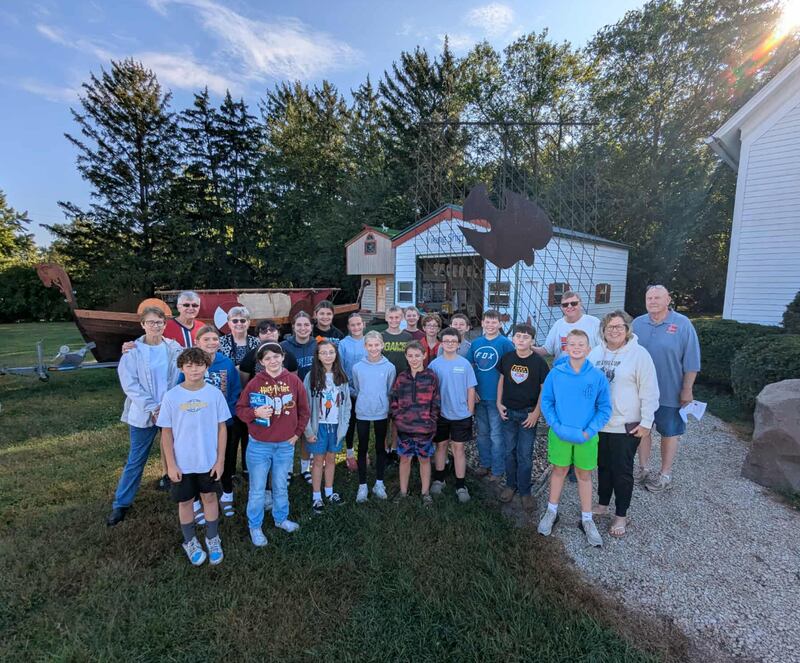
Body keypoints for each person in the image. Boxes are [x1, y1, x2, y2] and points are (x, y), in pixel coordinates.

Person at [106, 307, 182, 526]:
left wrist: (165, 408)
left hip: (169, 412)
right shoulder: (132, 351)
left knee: (178, 453)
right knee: (136, 458)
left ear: (165, 325)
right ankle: (121, 503)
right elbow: (130, 385)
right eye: (151, 322)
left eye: (159, 322)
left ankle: (183, 492)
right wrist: (153, 407)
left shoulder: (174, 348)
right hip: (143, 412)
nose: (155, 326)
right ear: (142, 325)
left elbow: (190, 363)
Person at [537, 330, 612, 547]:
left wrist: (590, 431)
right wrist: (555, 425)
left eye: (581, 344)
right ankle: (552, 511)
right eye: (572, 344)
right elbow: (547, 402)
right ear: (565, 348)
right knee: (559, 470)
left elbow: (605, 408)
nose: (577, 348)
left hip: (586, 436)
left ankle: (587, 519)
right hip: (560, 434)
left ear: (588, 349)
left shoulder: (597, 376)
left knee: (584, 475)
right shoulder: (556, 373)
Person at [588, 311, 659, 536]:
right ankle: (602, 503)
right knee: (604, 467)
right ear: (603, 330)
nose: (614, 331)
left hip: (626, 424)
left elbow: (649, 390)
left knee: (622, 471)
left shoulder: (639, 355)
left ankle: (621, 516)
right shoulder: (595, 353)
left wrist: (647, 422)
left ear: (627, 329)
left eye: (619, 327)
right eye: (610, 327)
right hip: (600, 423)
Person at [158, 348, 230, 566]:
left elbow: (222, 429)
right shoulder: (172, 396)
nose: (194, 369)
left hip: (208, 461)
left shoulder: (214, 394)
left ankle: (212, 537)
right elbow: (166, 434)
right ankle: (189, 541)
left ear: (206, 367)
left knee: (209, 498)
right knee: (186, 502)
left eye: (199, 364)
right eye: (189, 365)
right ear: (181, 368)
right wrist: (170, 465)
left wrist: (220, 461)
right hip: (182, 463)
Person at [236, 342, 310, 547]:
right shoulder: (255, 383)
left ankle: (280, 518)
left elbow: (304, 411)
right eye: (267, 358)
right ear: (261, 362)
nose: (273, 361)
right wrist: (255, 413)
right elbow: (241, 409)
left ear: (283, 357)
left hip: (285, 445)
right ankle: (255, 526)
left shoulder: (294, 381)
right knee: (258, 489)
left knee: (280, 486)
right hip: (260, 445)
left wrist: (297, 434)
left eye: (276, 356)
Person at [631, 286, 701, 493]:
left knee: (669, 433)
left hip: (670, 391)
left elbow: (691, 361)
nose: (652, 301)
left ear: (668, 299)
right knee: (642, 431)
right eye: (649, 297)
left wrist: (687, 389)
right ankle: (643, 468)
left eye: (657, 297)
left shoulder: (682, 324)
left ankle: (665, 474)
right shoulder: (637, 324)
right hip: (640, 392)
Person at [188, 325, 242, 520]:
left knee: (226, 458)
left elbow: (235, 390)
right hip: (197, 422)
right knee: (197, 461)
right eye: (206, 339)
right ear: (197, 342)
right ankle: (195, 500)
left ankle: (226, 494)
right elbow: (182, 388)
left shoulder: (226, 363)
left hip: (223, 420)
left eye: (214, 339)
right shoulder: (190, 363)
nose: (211, 343)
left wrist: (226, 414)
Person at [496, 323, 549, 511]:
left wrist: (536, 412)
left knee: (525, 454)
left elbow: (544, 389)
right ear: (513, 339)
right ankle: (511, 485)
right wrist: (498, 402)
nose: (521, 340)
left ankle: (525, 491)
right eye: (518, 336)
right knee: (509, 450)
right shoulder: (507, 358)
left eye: (526, 337)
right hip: (508, 412)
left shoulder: (539, 362)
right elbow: (501, 380)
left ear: (532, 340)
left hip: (528, 414)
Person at [429, 327, 477, 503]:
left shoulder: (464, 364)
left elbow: (470, 388)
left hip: (461, 414)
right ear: (442, 343)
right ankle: (439, 479)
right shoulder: (434, 364)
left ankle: (460, 485)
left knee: (458, 449)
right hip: (441, 414)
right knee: (440, 446)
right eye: (446, 341)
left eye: (453, 341)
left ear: (458, 344)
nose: (450, 344)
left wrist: (470, 411)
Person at [303, 340, 351, 514]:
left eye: (331, 352)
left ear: (336, 354)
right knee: (317, 461)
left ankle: (329, 492)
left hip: (336, 426)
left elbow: (346, 406)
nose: (328, 356)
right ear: (317, 355)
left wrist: (344, 427)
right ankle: (317, 496)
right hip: (319, 426)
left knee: (331, 459)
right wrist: (308, 430)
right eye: (324, 352)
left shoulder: (341, 376)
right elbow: (305, 405)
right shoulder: (311, 376)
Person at [390, 342, 440, 504]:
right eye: (410, 356)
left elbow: (436, 402)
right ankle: (403, 492)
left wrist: (431, 421)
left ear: (424, 355)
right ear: (406, 357)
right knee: (404, 459)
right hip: (404, 428)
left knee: (424, 460)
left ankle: (425, 493)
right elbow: (394, 400)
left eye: (417, 355)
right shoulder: (401, 377)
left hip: (424, 429)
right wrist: (398, 418)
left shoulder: (431, 376)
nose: (414, 359)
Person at [352, 331, 396, 503]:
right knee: (362, 447)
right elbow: (357, 387)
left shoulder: (389, 367)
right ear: (365, 346)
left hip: (381, 411)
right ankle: (362, 485)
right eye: (370, 345)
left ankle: (379, 482)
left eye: (376, 345)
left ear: (382, 345)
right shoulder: (357, 367)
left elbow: (389, 388)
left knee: (380, 446)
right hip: (363, 411)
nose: (373, 348)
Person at [470, 310, 514, 482]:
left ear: (500, 324)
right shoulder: (476, 343)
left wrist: (504, 396)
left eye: (494, 322)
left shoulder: (505, 344)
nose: (490, 325)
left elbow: (511, 369)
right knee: (482, 433)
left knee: (496, 435)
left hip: (496, 397)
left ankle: (497, 470)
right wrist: (472, 390)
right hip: (480, 396)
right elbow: (469, 367)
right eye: (487, 322)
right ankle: (484, 463)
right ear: (482, 323)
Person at [218, 306, 260, 484]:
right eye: (235, 320)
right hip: (230, 395)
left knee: (250, 434)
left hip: (252, 395)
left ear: (249, 323)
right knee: (231, 434)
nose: (239, 323)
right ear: (228, 323)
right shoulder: (221, 342)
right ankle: (229, 471)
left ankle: (247, 468)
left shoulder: (256, 342)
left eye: (243, 320)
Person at [281, 311, 318, 483]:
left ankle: (305, 468)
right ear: (293, 327)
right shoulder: (284, 346)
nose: (303, 328)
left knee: (306, 432)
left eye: (306, 325)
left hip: (312, 394)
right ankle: (288, 469)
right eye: (299, 325)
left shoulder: (317, 345)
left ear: (311, 327)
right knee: (289, 433)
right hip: (290, 395)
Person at [382, 306, 412, 465]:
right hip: (382, 383)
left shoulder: (407, 337)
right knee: (383, 418)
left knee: (396, 419)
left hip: (401, 384)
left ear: (402, 319)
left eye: (397, 317)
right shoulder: (381, 336)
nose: (394, 320)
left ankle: (393, 448)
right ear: (386, 318)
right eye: (391, 317)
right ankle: (382, 448)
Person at [533, 291, 601, 360]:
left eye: (574, 303)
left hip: (587, 369)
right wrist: (529, 346)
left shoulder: (594, 322)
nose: (569, 306)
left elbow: (604, 348)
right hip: (562, 369)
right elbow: (546, 350)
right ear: (562, 307)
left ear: (581, 304)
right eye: (565, 305)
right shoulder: (558, 325)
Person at [338, 313, 366, 472]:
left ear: (363, 325)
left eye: (358, 324)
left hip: (366, 390)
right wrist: (348, 389)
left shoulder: (369, 342)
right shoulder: (343, 344)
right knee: (350, 422)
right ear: (348, 327)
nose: (356, 327)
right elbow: (340, 368)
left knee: (364, 423)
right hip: (349, 390)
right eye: (352, 325)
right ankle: (349, 453)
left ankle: (363, 452)